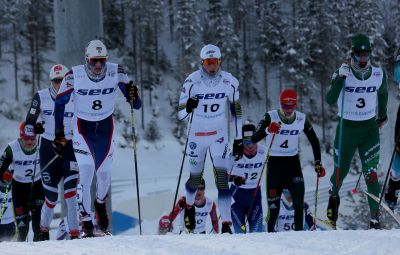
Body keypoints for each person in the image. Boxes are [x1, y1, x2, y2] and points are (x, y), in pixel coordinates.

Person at [53, 39, 141, 237]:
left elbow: (136, 105)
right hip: (82, 128)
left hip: (105, 129)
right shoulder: (74, 74)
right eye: (94, 62)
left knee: (104, 175)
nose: (98, 66)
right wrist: (59, 134)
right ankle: (87, 222)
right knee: (85, 172)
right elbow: (60, 103)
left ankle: (100, 205)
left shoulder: (116, 71)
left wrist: (133, 96)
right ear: (87, 60)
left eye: (101, 61)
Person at [178, 44, 243, 234]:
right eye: (208, 62)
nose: (212, 66)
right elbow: (180, 115)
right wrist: (187, 107)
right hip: (197, 135)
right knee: (195, 178)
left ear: (220, 62)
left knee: (222, 179)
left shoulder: (230, 81)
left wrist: (238, 139)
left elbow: (236, 111)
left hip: (218, 135)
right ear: (202, 63)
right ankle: (189, 206)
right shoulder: (192, 81)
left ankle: (226, 224)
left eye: (215, 62)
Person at [325, 34, 388, 229]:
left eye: (366, 54)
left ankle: (375, 218)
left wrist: (382, 116)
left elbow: (383, 93)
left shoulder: (378, 74)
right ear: (352, 54)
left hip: (369, 128)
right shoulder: (342, 72)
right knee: (340, 172)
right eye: (359, 54)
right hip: (348, 128)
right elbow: (329, 99)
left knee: (371, 174)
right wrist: (339, 78)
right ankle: (332, 204)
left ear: (370, 55)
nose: (362, 58)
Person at [251, 88, 325, 232]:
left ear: (296, 105)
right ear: (280, 104)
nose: (288, 109)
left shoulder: (301, 118)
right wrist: (268, 130)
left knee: (299, 205)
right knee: (274, 209)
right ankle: (271, 239)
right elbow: (254, 138)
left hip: (293, 165)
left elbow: (314, 140)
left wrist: (317, 163)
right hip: (275, 165)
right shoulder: (270, 116)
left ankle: (299, 238)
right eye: (285, 106)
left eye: (291, 106)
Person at [25, 64, 79, 241]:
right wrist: (35, 127)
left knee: (71, 195)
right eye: (56, 80)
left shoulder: (75, 95)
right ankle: (44, 231)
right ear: (51, 81)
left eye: (62, 80)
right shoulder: (41, 96)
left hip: (69, 148)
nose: (59, 84)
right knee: (51, 197)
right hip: (49, 149)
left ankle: (75, 235)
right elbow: (28, 123)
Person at [0, 122, 44, 241]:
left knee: (37, 221)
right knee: (22, 227)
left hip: (37, 186)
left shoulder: (42, 144)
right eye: (26, 138)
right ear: (20, 137)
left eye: (32, 138)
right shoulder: (12, 148)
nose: (29, 142)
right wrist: (4, 176)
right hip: (19, 188)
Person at [229, 122, 265, 233]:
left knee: (256, 232)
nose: (250, 145)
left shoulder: (264, 151)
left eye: (253, 140)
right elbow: (221, 176)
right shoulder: (234, 154)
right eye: (246, 141)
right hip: (237, 196)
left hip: (255, 195)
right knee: (240, 232)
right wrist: (234, 178)